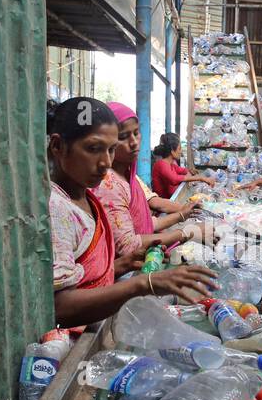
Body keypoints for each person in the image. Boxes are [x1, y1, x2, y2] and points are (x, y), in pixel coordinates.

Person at [47, 98, 218, 329]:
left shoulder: (86, 197)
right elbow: (61, 307)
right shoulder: (58, 208)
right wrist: (142, 284)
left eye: (110, 150)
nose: (105, 162)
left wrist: (124, 264)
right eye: (93, 149)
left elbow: (87, 275)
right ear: (58, 146)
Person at [94, 102, 201, 256]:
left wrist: (183, 214)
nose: (134, 142)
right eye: (123, 137)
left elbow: (144, 223)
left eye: (136, 133)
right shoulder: (108, 185)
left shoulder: (130, 177)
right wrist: (187, 232)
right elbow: (127, 246)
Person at [151, 132, 215, 197]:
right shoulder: (161, 165)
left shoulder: (170, 164)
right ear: (172, 151)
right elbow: (174, 179)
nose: (181, 152)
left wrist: (190, 172)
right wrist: (201, 178)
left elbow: (183, 170)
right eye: (179, 149)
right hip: (162, 201)